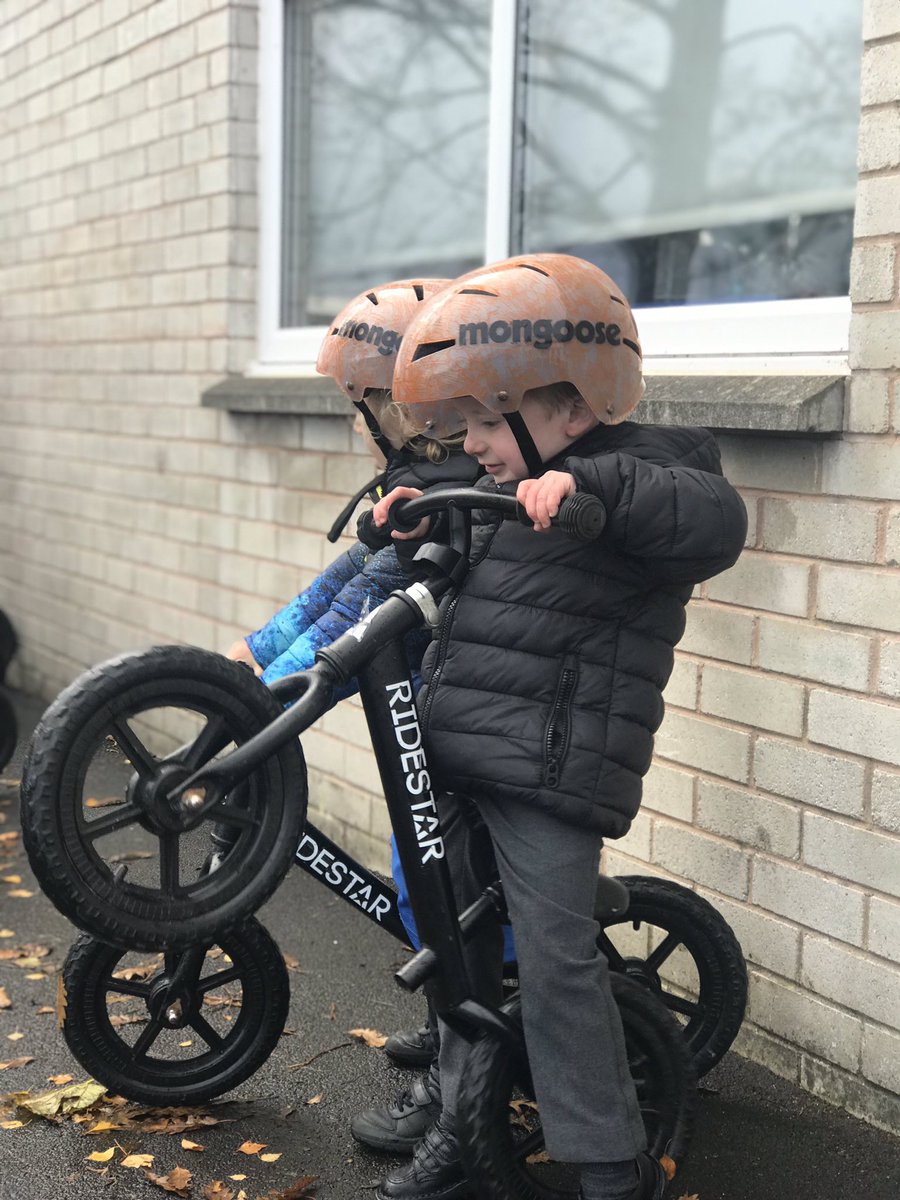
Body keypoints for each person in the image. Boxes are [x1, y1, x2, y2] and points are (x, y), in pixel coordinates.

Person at [364, 253, 748, 1200]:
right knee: (458, 957)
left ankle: (607, 1163)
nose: (475, 442)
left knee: (554, 962)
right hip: (460, 755)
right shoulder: (505, 486)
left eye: (491, 422)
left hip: (550, 771)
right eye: (465, 424)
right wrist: (413, 524)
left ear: (574, 408)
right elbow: (463, 544)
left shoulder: (658, 473)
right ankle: (460, 1127)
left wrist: (592, 497)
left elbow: (709, 522)